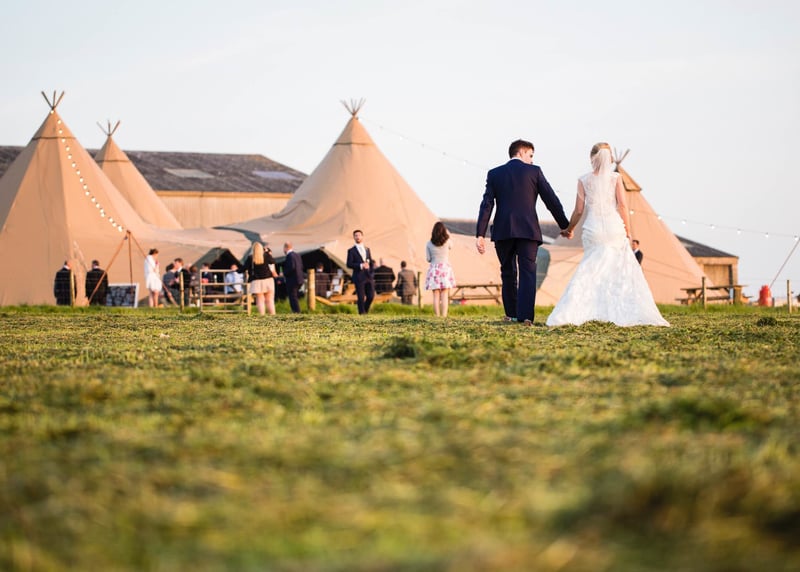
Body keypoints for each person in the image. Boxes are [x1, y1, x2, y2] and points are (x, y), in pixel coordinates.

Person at [547, 142, 669, 327]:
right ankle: (617, 310)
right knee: (617, 270)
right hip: (614, 228)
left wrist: (569, 228)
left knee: (590, 269)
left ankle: (575, 311)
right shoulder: (616, 178)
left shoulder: (584, 180)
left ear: (592, 158)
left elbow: (578, 210)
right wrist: (627, 230)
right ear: (609, 158)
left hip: (593, 228)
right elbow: (622, 205)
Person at [476, 139, 570, 325]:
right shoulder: (534, 172)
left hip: (503, 231)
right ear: (521, 152)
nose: (532, 160)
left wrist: (480, 233)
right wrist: (564, 226)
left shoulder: (494, 174)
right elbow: (551, 200)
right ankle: (526, 317)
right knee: (528, 272)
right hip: (528, 230)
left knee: (507, 272)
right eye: (530, 155)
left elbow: (487, 204)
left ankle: (511, 314)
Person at [425, 222, 457, 317]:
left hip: (434, 269)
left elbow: (428, 259)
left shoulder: (429, 244)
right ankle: (444, 316)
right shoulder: (447, 242)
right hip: (445, 269)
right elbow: (452, 246)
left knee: (436, 295)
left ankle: (437, 316)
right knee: (444, 295)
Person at [346, 229, 375, 314]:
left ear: (362, 236)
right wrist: (360, 265)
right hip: (359, 276)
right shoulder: (351, 251)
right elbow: (349, 264)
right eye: (356, 236)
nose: (357, 237)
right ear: (354, 237)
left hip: (368, 276)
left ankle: (365, 311)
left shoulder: (367, 249)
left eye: (359, 235)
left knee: (371, 296)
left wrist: (371, 272)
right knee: (361, 297)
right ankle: (362, 314)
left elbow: (371, 262)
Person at [249, 242, 277, 315]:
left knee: (260, 300)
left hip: (257, 281)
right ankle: (273, 315)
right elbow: (273, 261)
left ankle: (262, 316)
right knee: (269, 300)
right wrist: (267, 252)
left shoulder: (251, 258)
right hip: (268, 280)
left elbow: (244, 267)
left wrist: (237, 270)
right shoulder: (266, 255)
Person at [282, 242, 304, 313]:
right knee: (295, 296)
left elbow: (291, 267)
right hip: (299, 278)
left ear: (285, 248)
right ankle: (296, 310)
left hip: (292, 279)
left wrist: (284, 273)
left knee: (292, 296)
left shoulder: (289, 256)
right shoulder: (297, 255)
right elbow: (301, 266)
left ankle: (296, 311)